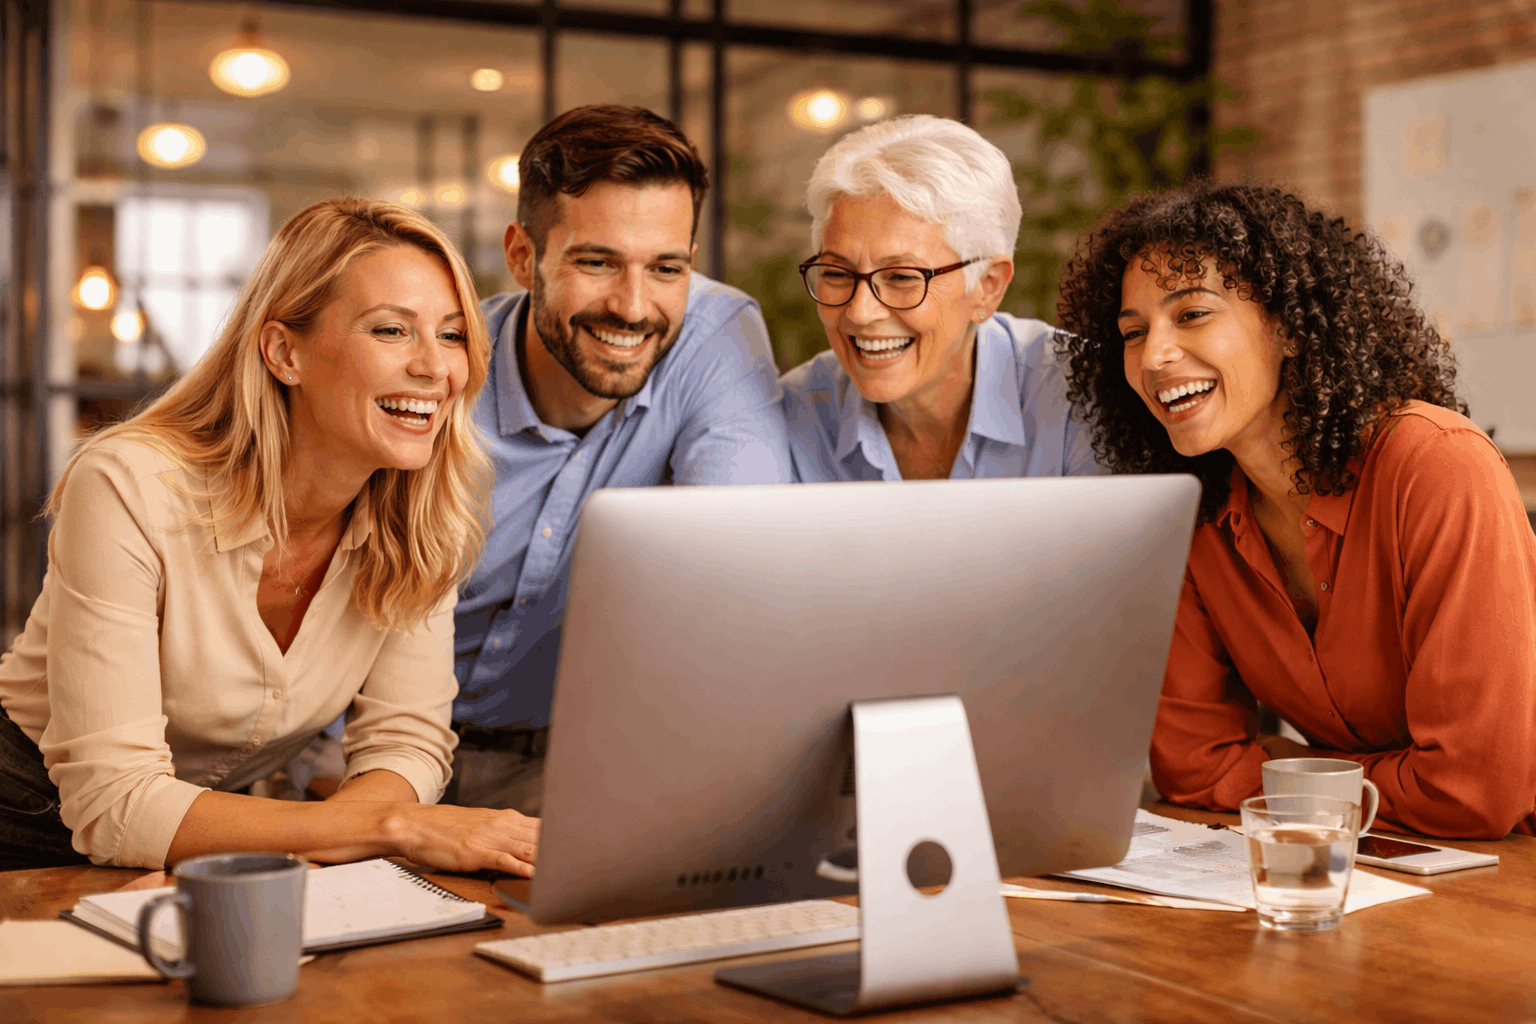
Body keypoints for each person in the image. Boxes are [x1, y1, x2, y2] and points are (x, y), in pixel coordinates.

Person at [0, 198, 539, 873]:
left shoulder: (424, 516)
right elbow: (115, 804)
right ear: (285, 352)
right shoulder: (129, 484)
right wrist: (392, 827)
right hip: (19, 821)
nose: (436, 368)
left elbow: (405, 739)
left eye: (454, 334)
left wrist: (375, 820)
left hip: (211, 841)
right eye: (392, 331)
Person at [1054, 181, 1536, 838]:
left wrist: (1296, 772)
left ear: (1288, 326)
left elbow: (1473, 789)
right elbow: (1193, 767)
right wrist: (1356, 781)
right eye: (1133, 332)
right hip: (1387, 864)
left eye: (1191, 314)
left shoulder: (1436, 465)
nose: (1153, 356)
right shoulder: (1194, 516)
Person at [448, 105, 793, 813]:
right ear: (522, 256)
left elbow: (735, 571)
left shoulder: (716, 336)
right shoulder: (442, 374)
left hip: (577, 767)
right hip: (366, 756)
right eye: (597, 262)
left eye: (667, 267)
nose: (634, 308)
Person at [779, 115, 1097, 482]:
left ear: (987, 287)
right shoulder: (793, 414)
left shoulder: (1080, 394)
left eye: (901, 277)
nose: (861, 311)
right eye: (836, 273)